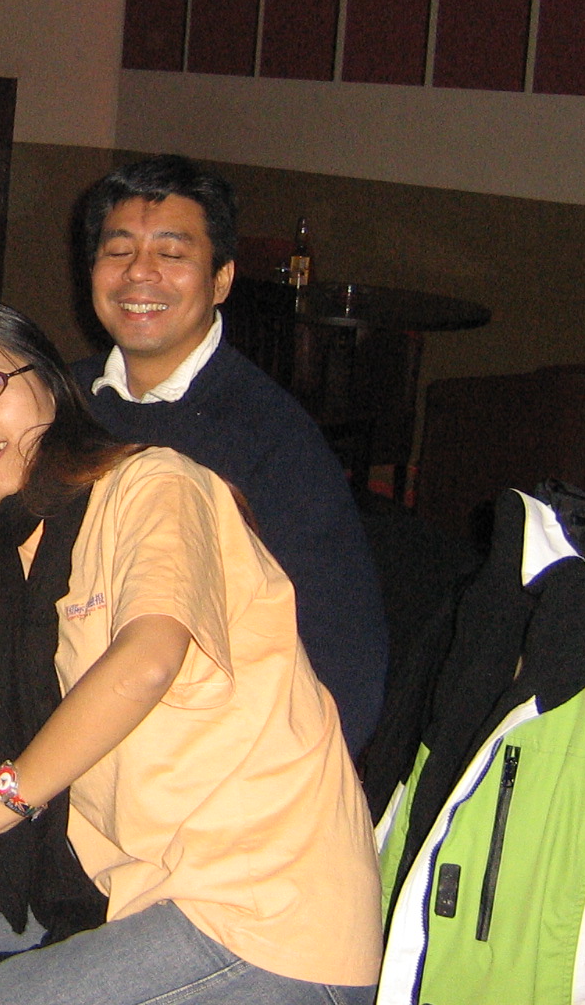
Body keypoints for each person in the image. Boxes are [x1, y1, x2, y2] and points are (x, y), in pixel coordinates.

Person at [0, 300, 381, 1005]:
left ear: (51, 386)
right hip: (119, 891)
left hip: (261, 912)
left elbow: (148, 658)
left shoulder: (154, 485)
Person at [71, 155, 386, 755]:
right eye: (119, 251)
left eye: (172, 253)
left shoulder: (272, 440)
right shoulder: (58, 402)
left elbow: (347, 667)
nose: (139, 273)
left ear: (220, 280)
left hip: (195, 754)